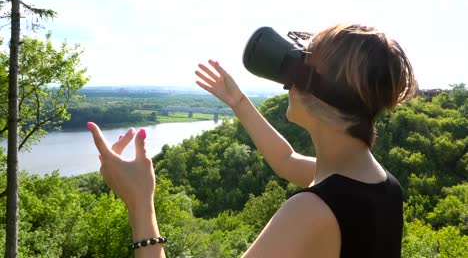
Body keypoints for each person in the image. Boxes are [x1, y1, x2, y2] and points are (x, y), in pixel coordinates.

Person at [87, 23, 417, 257]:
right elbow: (286, 162)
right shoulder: (384, 187)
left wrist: (140, 203)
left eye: (299, 63)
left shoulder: (310, 212)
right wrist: (239, 102)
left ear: (312, 90)